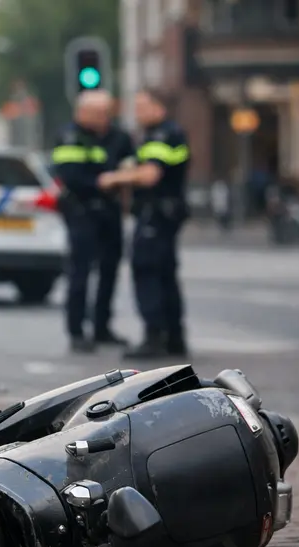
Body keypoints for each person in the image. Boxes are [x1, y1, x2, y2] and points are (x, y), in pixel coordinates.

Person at [98, 90, 191, 358]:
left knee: (147, 270)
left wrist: (114, 179)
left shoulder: (161, 135)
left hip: (155, 215)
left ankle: (154, 336)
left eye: (142, 106)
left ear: (159, 107)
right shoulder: (169, 133)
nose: (137, 112)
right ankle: (174, 338)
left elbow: (150, 175)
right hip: (164, 215)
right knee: (165, 274)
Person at [51, 90, 132, 353]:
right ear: (82, 112)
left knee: (109, 270)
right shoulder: (70, 137)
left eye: (107, 113)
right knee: (80, 272)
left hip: (110, 211)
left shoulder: (119, 137)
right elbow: (70, 176)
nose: (103, 118)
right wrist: (104, 181)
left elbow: (130, 167)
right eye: (98, 113)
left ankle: (101, 327)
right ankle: (76, 331)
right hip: (81, 212)